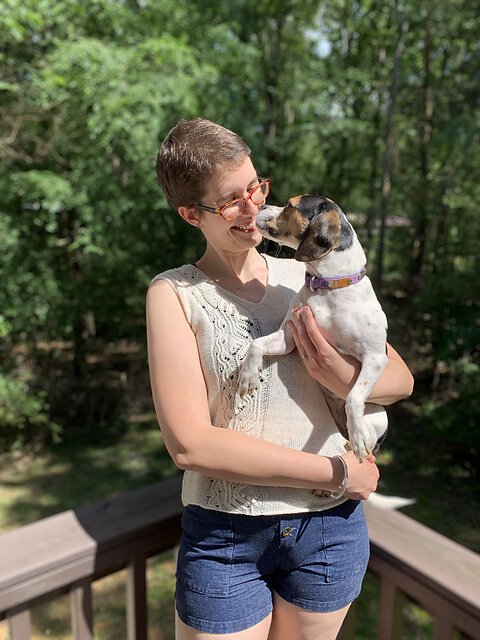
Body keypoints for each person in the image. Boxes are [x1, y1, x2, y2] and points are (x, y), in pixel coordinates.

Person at [147, 118, 414, 640]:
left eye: (255, 187)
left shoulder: (310, 273)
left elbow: (400, 381)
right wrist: (337, 474)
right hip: (227, 535)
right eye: (230, 201)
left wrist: (337, 374)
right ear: (190, 214)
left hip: (330, 530)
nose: (253, 208)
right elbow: (190, 445)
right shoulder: (174, 294)